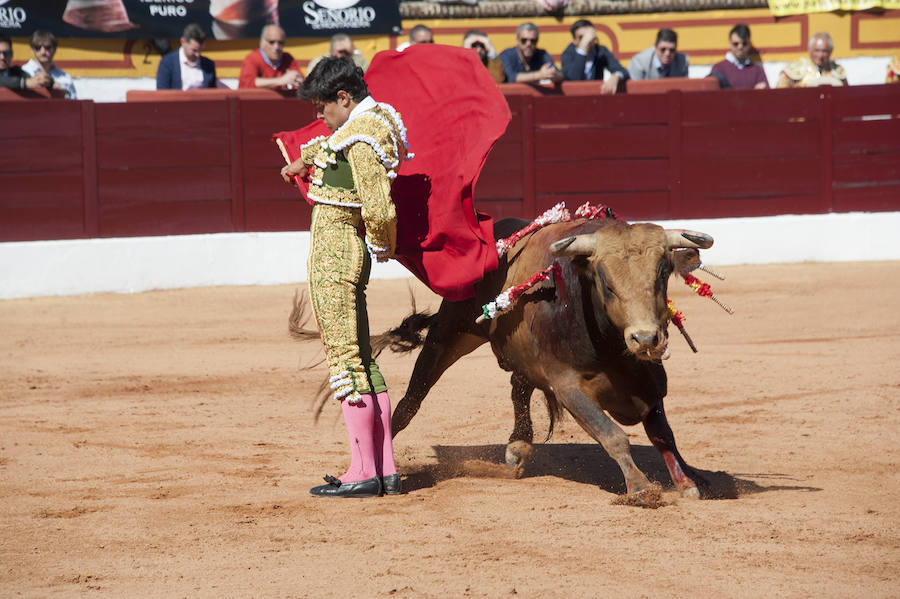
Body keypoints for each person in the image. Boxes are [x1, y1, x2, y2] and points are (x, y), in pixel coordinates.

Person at [280, 57, 408, 498]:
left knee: (345, 360)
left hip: (335, 258)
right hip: (346, 254)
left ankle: (363, 471)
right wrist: (304, 159)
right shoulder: (371, 122)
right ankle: (385, 468)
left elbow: (379, 207)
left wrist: (382, 244)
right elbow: (336, 144)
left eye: (323, 108)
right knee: (363, 360)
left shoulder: (362, 134)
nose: (320, 117)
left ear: (344, 97)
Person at [560, 19, 628, 94]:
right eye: (581, 37)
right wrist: (582, 51)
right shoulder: (567, 54)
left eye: (589, 37)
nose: (587, 41)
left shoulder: (601, 51)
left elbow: (622, 71)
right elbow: (574, 78)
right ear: (574, 40)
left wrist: (616, 76)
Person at [238, 25, 301, 90]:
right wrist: (280, 80)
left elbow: (301, 84)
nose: (276, 47)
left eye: (280, 43)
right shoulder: (253, 58)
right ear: (262, 43)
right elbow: (246, 84)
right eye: (271, 42)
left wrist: (299, 81)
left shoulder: (288, 59)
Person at [156, 23, 217, 90]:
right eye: (194, 50)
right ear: (183, 42)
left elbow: (213, 92)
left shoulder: (208, 65)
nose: (197, 54)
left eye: (200, 50)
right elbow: (162, 91)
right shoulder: (167, 63)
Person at [498, 22, 563, 84]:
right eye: (524, 40)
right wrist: (539, 75)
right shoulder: (506, 55)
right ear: (517, 40)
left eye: (533, 41)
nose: (528, 44)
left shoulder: (542, 55)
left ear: (537, 41)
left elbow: (561, 76)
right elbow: (512, 78)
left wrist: (552, 74)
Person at [776, 32, 847, 88]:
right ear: (809, 50)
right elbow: (780, 94)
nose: (820, 55)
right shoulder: (794, 69)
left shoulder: (837, 71)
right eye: (817, 50)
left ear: (830, 51)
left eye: (824, 51)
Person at [709, 24, 768, 90]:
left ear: (749, 44)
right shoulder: (719, 68)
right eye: (736, 44)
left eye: (744, 43)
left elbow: (767, 94)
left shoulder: (757, 71)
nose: (740, 47)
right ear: (729, 44)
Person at [20, 31, 76, 98]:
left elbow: (73, 102)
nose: (43, 52)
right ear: (32, 49)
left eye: (48, 47)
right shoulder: (23, 72)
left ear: (55, 49)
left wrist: (60, 92)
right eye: (38, 47)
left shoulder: (65, 78)